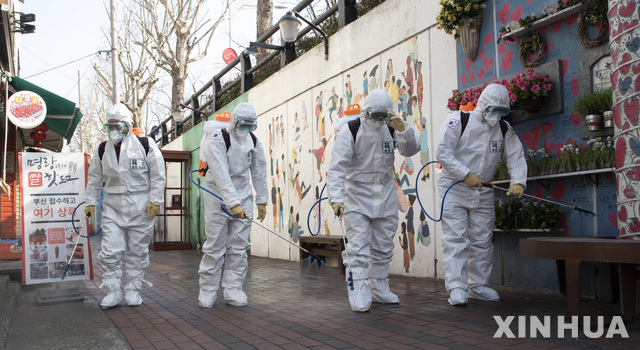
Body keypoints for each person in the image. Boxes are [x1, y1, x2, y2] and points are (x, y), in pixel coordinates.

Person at [327, 89, 420, 312]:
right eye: (375, 115)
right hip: (357, 196)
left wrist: (404, 130)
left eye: (383, 115)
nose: (379, 120)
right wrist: (336, 198)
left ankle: (379, 287)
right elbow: (337, 166)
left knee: (383, 245)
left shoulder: (390, 128)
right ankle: (358, 288)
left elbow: (411, 150)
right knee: (358, 247)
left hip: (386, 195)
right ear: (366, 112)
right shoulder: (352, 129)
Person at [435, 83, 527, 306]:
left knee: (482, 239)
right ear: (484, 104)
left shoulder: (504, 129)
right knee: (455, 238)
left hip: (483, 189)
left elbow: (515, 155)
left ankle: (478, 285)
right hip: (454, 188)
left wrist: (518, 182)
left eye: (502, 111)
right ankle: (457, 287)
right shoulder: (459, 120)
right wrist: (464, 173)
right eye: (493, 109)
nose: (497, 115)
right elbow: (443, 151)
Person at [85, 103, 166, 309]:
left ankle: (132, 290)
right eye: (109, 126)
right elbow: (94, 178)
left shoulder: (145, 144)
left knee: (137, 251)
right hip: (113, 204)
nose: (114, 130)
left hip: (141, 205)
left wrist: (155, 200)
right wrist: (91, 202)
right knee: (110, 250)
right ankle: (112, 291)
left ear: (127, 125)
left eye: (117, 126)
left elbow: (158, 175)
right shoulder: (102, 149)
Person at [198, 102, 268, 308]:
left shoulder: (254, 141)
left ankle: (233, 288)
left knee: (238, 246)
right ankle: (208, 290)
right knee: (214, 246)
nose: (246, 130)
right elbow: (220, 173)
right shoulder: (218, 139)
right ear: (234, 122)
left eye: (250, 126)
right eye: (242, 125)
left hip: (243, 196)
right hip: (217, 197)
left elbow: (259, 171)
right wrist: (232, 203)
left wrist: (262, 200)